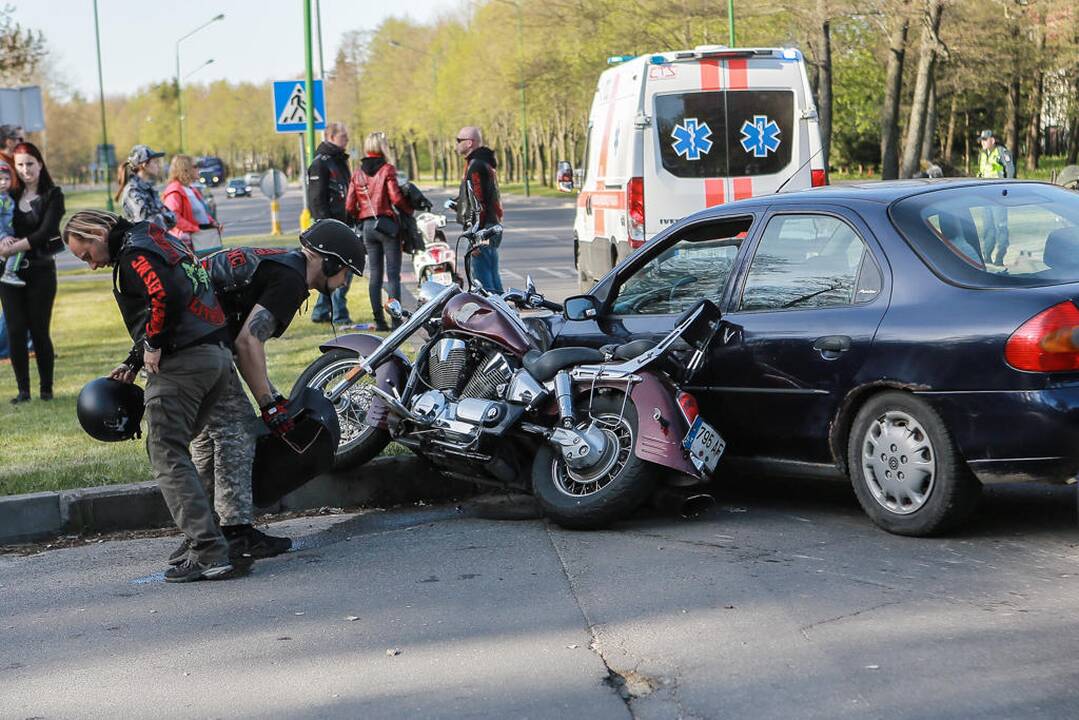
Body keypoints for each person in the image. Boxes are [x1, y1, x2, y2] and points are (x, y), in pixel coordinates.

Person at [62, 209, 243, 583]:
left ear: (97, 234)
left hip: (184, 361)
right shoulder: (153, 236)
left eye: (86, 255)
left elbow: (163, 293)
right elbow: (172, 293)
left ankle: (209, 549)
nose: (92, 265)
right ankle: (207, 539)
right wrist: (133, 359)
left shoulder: (134, 253)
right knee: (183, 448)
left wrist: (155, 345)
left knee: (165, 451)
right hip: (217, 356)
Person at [179, 219, 367, 565]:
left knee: (209, 438)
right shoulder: (291, 281)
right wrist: (269, 404)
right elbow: (248, 342)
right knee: (236, 428)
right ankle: (235, 534)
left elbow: (242, 344)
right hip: (195, 346)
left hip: (186, 341)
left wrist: (270, 397)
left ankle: (202, 532)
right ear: (329, 262)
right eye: (346, 274)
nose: (344, 284)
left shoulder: (282, 265)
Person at [0, 142, 63, 404]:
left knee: (39, 330)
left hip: (40, 271)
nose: (26, 170)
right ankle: (23, 391)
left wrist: (14, 247)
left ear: (40, 163)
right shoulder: (8, 194)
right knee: (15, 330)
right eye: (21, 165)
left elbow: (46, 232)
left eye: (30, 164)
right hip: (8, 274)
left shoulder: (53, 194)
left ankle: (46, 389)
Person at [346, 132, 411, 331]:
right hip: (387, 226)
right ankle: (395, 321)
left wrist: (360, 216)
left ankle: (379, 321)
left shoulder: (357, 173)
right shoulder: (387, 169)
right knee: (393, 275)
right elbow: (396, 198)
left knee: (375, 275)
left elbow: (349, 204)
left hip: (368, 226)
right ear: (382, 147)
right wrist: (409, 210)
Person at [306, 122, 353, 324]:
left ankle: (322, 310)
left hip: (342, 223)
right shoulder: (321, 163)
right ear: (331, 137)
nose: (347, 140)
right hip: (332, 225)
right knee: (339, 269)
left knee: (335, 269)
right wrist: (327, 225)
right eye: (343, 136)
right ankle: (338, 312)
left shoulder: (339, 161)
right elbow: (316, 198)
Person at [454, 126, 504, 293]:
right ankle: (502, 310)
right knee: (492, 274)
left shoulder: (475, 166)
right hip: (490, 224)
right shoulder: (482, 163)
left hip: (482, 228)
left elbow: (478, 200)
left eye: (458, 140)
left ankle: (492, 314)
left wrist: (475, 233)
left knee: (483, 280)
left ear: (469, 143)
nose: (457, 144)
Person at [162, 154, 220, 255]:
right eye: (195, 166)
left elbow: (202, 213)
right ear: (185, 169)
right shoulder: (174, 191)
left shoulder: (191, 189)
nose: (199, 169)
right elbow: (174, 218)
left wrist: (212, 223)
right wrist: (196, 229)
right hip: (187, 245)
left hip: (200, 241)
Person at [976, 130, 1015, 265]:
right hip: (985, 197)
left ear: (992, 140)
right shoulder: (982, 155)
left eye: (985, 139)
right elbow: (980, 174)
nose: (982, 142)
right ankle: (987, 258)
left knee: (1001, 227)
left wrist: (1006, 191)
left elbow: (1010, 171)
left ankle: (1000, 257)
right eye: (981, 140)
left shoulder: (1001, 152)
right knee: (988, 229)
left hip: (998, 197)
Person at [117, 144, 176, 229]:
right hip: (143, 241)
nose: (158, 166)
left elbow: (172, 218)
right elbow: (147, 224)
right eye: (155, 162)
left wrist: (160, 217)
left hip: (156, 239)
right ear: (144, 165)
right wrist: (161, 216)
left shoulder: (148, 188)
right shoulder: (133, 190)